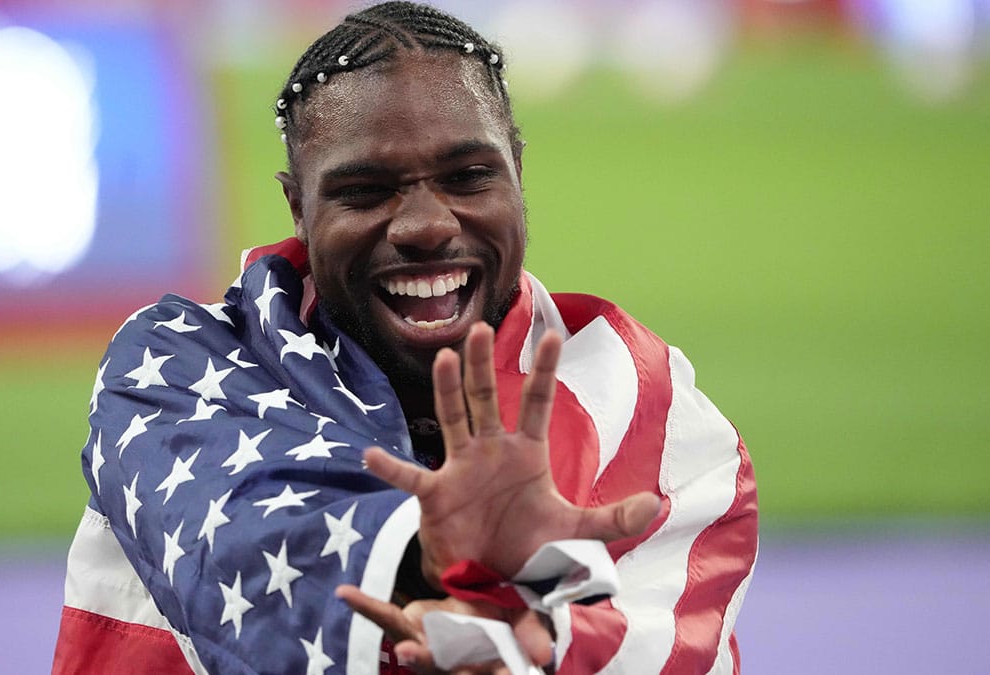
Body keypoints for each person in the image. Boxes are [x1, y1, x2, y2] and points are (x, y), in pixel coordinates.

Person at [51, 3, 757, 674]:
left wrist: (529, 632)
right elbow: (239, 545)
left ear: (517, 170)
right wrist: (437, 555)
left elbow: (657, 646)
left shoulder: (642, 406)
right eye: (365, 190)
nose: (425, 224)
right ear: (299, 205)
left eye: (468, 176)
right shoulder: (172, 367)